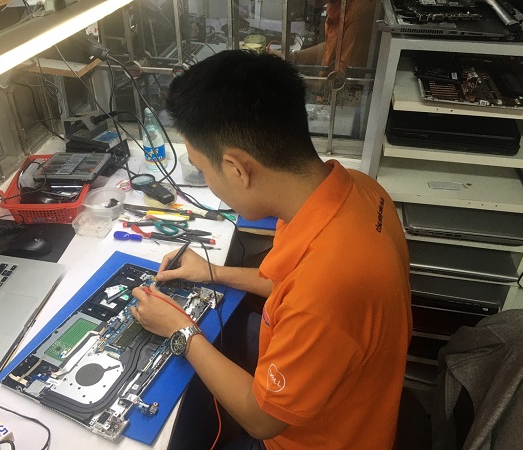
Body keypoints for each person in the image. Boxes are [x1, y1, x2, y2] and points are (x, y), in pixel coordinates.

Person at [130, 50, 412, 450]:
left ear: (237, 169)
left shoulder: (326, 288)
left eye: (203, 169)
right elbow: (289, 286)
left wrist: (181, 331)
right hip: (352, 394)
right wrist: (213, 273)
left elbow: (261, 419)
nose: (207, 181)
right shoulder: (357, 189)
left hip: (316, 441)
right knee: (231, 331)